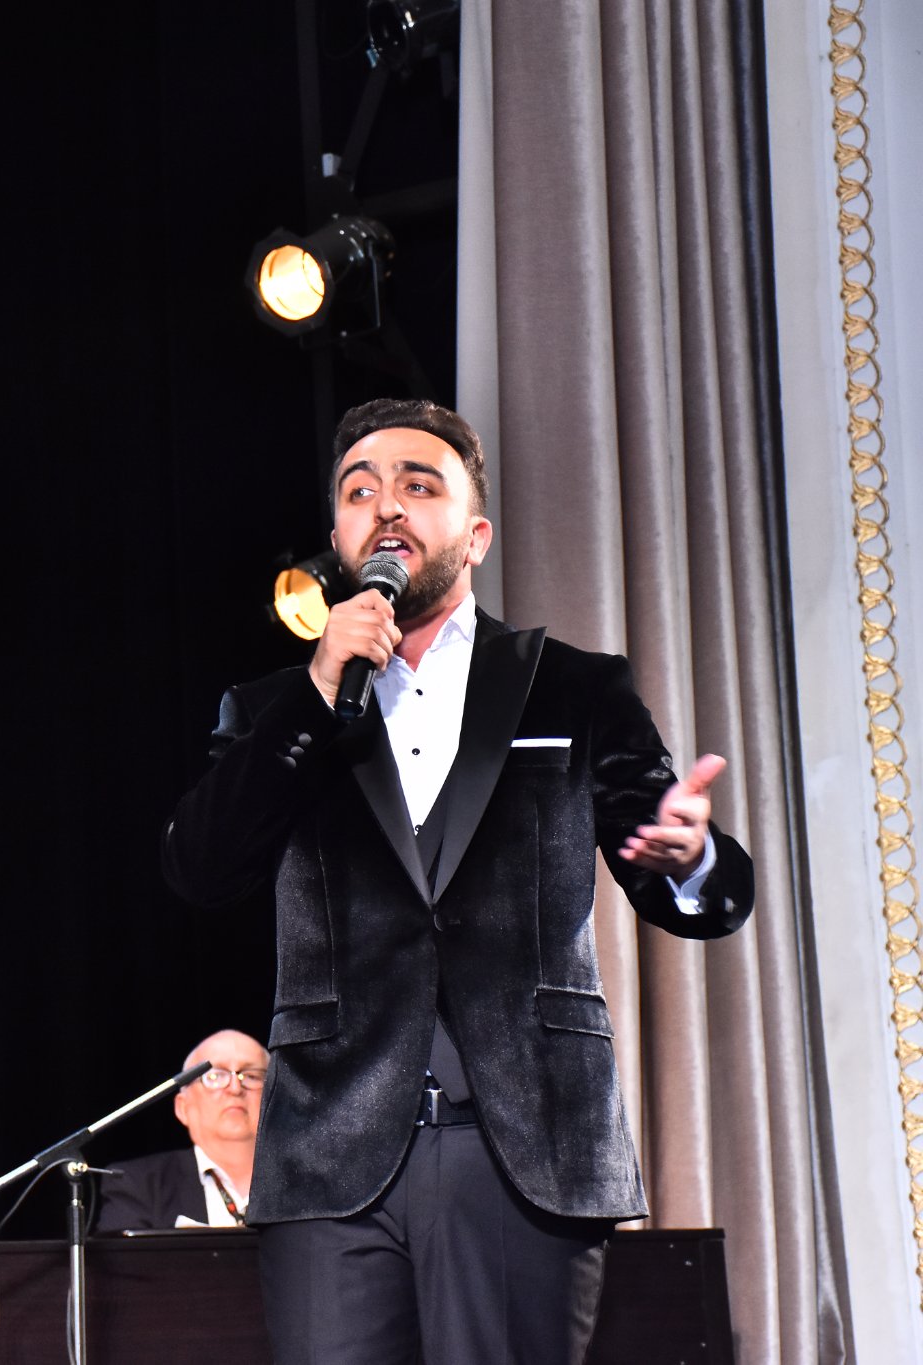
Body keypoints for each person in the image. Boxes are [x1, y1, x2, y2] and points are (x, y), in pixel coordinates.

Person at [162, 398, 753, 1363]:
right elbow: (201, 868)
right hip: (329, 1155)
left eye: (417, 484)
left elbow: (699, 896)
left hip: (526, 1146)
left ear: (475, 535)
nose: (386, 506)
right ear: (338, 541)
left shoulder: (573, 686)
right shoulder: (277, 707)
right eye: (360, 491)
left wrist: (690, 858)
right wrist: (315, 694)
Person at [94, 1029, 266, 1232]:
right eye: (215, 1076)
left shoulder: (300, 1180)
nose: (235, 1088)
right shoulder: (139, 1184)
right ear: (183, 1107)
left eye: (251, 1076)